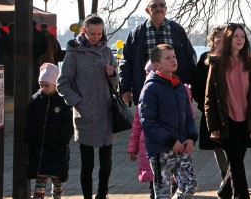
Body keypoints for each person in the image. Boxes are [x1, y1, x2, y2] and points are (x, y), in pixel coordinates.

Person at [57, 14, 118, 199]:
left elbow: (115, 83)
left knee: (106, 161)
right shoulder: (74, 53)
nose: (96, 37)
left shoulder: (107, 51)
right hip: (85, 114)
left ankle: (102, 193)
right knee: (87, 163)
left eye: (100, 33)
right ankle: (86, 196)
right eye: (93, 33)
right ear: (84, 31)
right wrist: (77, 102)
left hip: (106, 112)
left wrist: (113, 73)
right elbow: (62, 83)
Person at [205, 23, 251, 199]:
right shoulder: (217, 63)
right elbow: (210, 97)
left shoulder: (250, 62)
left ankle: (224, 192)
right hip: (226, 122)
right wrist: (212, 125)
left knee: (236, 164)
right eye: (236, 36)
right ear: (229, 39)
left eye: (243, 37)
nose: (240, 40)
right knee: (237, 165)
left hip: (246, 121)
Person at [139, 44, 198, 198]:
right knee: (163, 192)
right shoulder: (150, 89)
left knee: (189, 186)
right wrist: (170, 140)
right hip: (160, 150)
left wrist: (191, 137)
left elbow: (189, 117)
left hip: (181, 146)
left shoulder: (180, 87)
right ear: (156, 65)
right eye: (168, 58)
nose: (173, 60)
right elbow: (148, 122)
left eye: (174, 56)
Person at [120, 0, 197, 106]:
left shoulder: (177, 30)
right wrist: (125, 88)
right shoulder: (137, 34)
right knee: (148, 121)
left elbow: (190, 57)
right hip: (147, 90)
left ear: (166, 9)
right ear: (147, 10)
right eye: (154, 6)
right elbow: (126, 62)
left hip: (174, 89)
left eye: (162, 5)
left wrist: (191, 83)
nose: (158, 8)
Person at [25, 63, 74, 199]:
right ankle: (38, 196)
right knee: (40, 176)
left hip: (57, 147)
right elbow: (30, 120)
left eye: (47, 85)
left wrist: (62, 139)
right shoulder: (36, 100)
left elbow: (68, 123)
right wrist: (30, 138)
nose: (43, 88)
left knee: (56, 177)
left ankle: (57, 194)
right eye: (41, 85)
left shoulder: (62, 101)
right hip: (40, 146)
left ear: (55, 84)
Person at [193, 25, 229, 184]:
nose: (221, 40)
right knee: (217, 145)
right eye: (218, 37)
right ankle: (225, 174)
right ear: (212, 40)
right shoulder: (205, 58)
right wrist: (204, 106)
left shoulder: (235, 57)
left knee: (233, 145)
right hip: (212, 110)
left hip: (233, 110)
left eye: (225, 37)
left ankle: (232, 174)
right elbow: (198, 85)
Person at [128, 60, 157, 199]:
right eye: (146, 73)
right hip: (149, 150)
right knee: (154, 188)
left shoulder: (178, 88)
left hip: (170, 149)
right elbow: (137, 124)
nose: (147, 75)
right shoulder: (145, 93)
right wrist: (133, 147)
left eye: (149, 72)